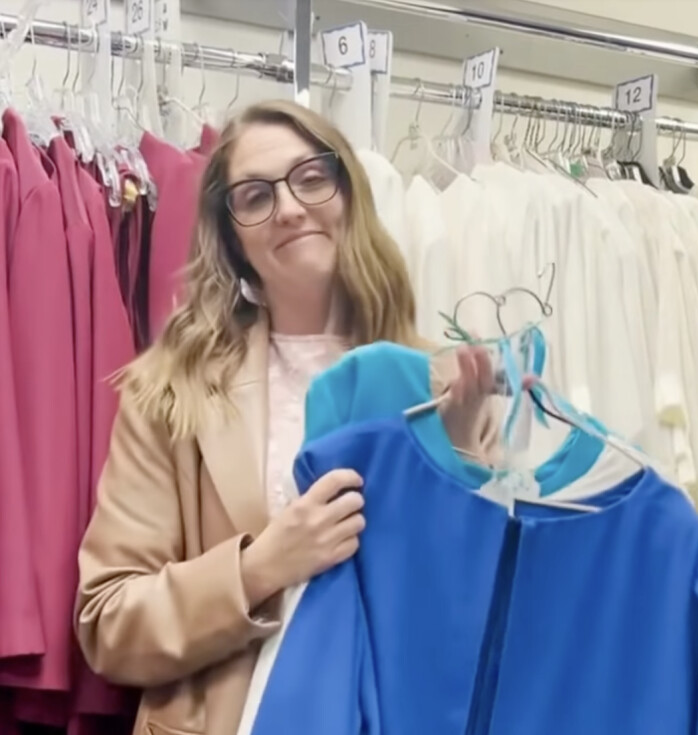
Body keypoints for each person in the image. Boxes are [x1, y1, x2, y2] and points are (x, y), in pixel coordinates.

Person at [75, 99, 495, 735]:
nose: (291, 207)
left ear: (347, 191)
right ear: (234, 236)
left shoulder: (444, 385)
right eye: (255, 195)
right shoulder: (172, 392)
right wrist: (259, 568)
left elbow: (482, 615)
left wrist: (457, 461)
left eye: (311, 177)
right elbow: (108, 622)